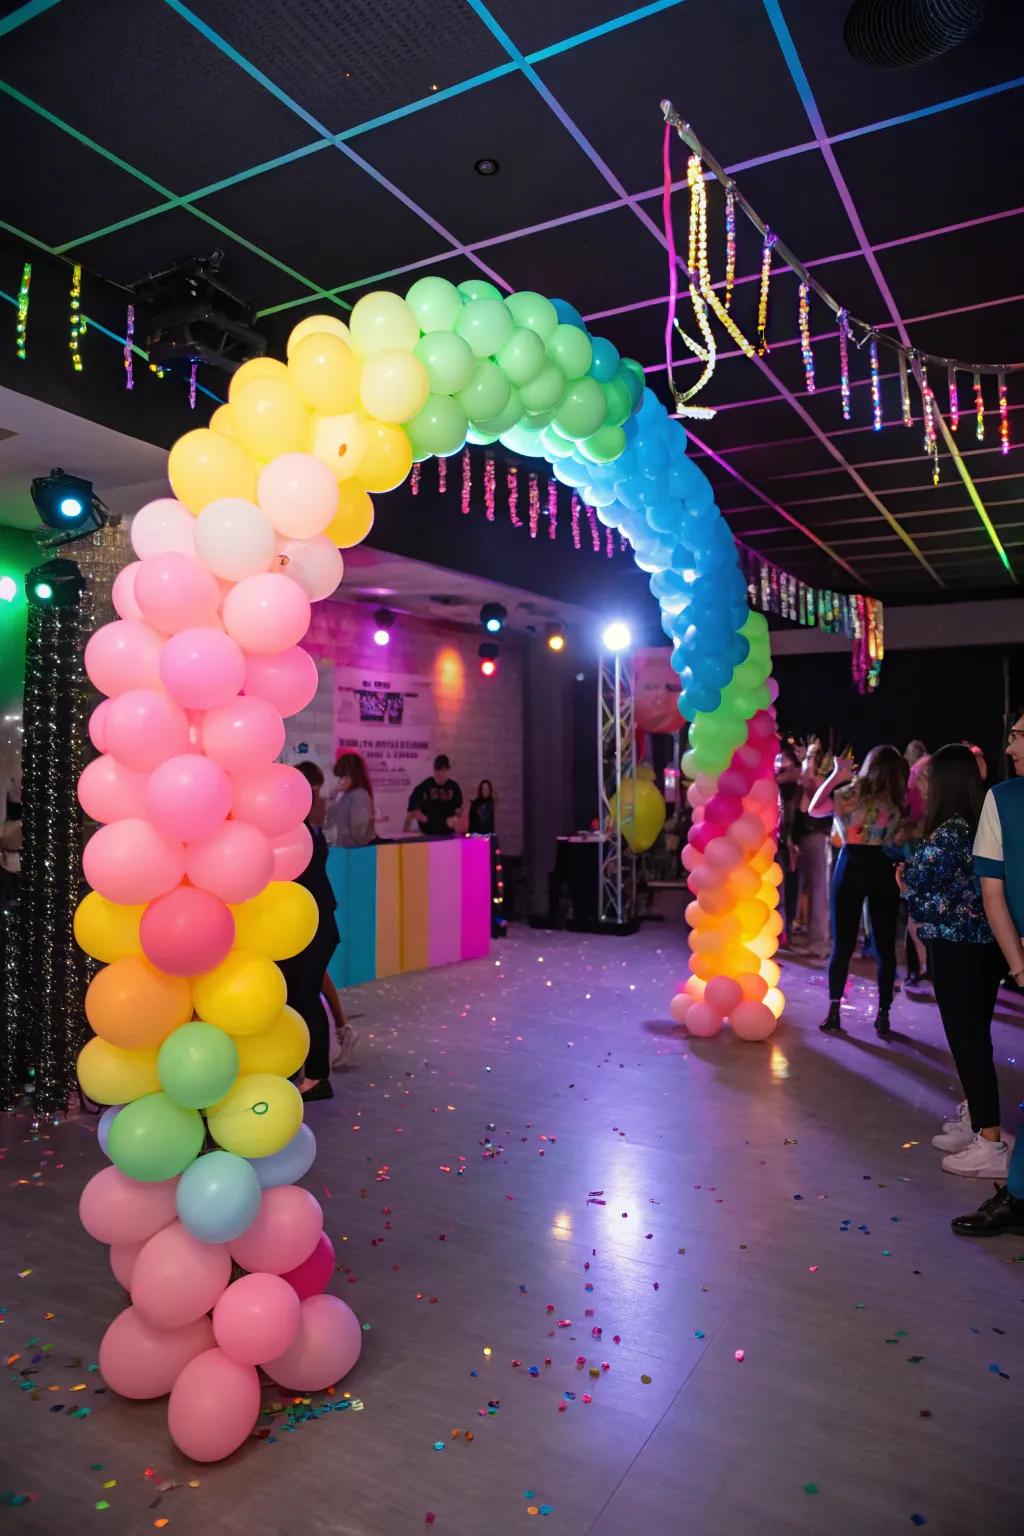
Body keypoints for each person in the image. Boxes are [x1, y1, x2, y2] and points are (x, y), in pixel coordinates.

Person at [901, 745, 1009, 1177]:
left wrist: (906, 881)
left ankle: (990, 1140)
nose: (923, 789)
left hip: (957, 949)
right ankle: (981, 1122)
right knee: (974, 1037)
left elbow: (919, 885)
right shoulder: (982, 823)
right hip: (985, 948)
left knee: (968, 1041)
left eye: (928, 780)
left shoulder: (950, 832)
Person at [952, 709, 1024, 1236]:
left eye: (1020, 736)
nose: (1011, 746)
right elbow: (991, 889)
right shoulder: (1004, 799)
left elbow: (992, 891)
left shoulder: (1001, 800)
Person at [809, 744, 908, 1038]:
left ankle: (834, 1010)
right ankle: (884, 1015)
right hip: (882, 866)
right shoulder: (898, 802)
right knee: (885, 946)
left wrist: (835, 775)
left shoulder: (848, 795)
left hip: (851, 864)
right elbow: (903, 836)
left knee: (843, 943)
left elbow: (814, 808)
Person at [281, 762, 344, 1102]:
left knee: (304, 997)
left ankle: (318, 1076)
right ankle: (300, 1067)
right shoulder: (303, 827)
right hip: (305, 927)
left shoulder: (301, 832)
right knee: (295, 997)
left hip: (315, 927)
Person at [793, 737, 830, 961]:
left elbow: (809, 792)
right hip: (805, 837)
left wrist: (803, 768)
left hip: (816, 836)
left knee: (818, 890)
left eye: (811, 756)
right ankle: (814, 940)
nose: (807, 760)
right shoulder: (812, 779)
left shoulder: (817, 780)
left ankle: (819, 944)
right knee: (808, 889)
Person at [774, 743, 801, 945]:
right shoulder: (777, 784)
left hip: (788, 841)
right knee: (781, 890)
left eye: (783, 757)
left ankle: (784, 933)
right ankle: (782, 932)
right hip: (779, 840)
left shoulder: (795, 784)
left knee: (787, 890)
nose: (779, 761)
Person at [405, 754, 463, 836]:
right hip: (429, 832)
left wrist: (455, 818)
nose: (440, 774)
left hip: (447, 832)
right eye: (438, 770)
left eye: (443, 770)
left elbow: (459, 807)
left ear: (447, 770)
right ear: (434, 770)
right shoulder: (426, 785)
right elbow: (413, 802)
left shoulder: (453, 787)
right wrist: (423, 818)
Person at [328, 750, 376, 848]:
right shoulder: (345, 795)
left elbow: (359, 832)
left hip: (353, 851)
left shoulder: (359, 795)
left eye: (342, 777)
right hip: (343, 849)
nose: (340, 780)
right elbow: (329, 821)